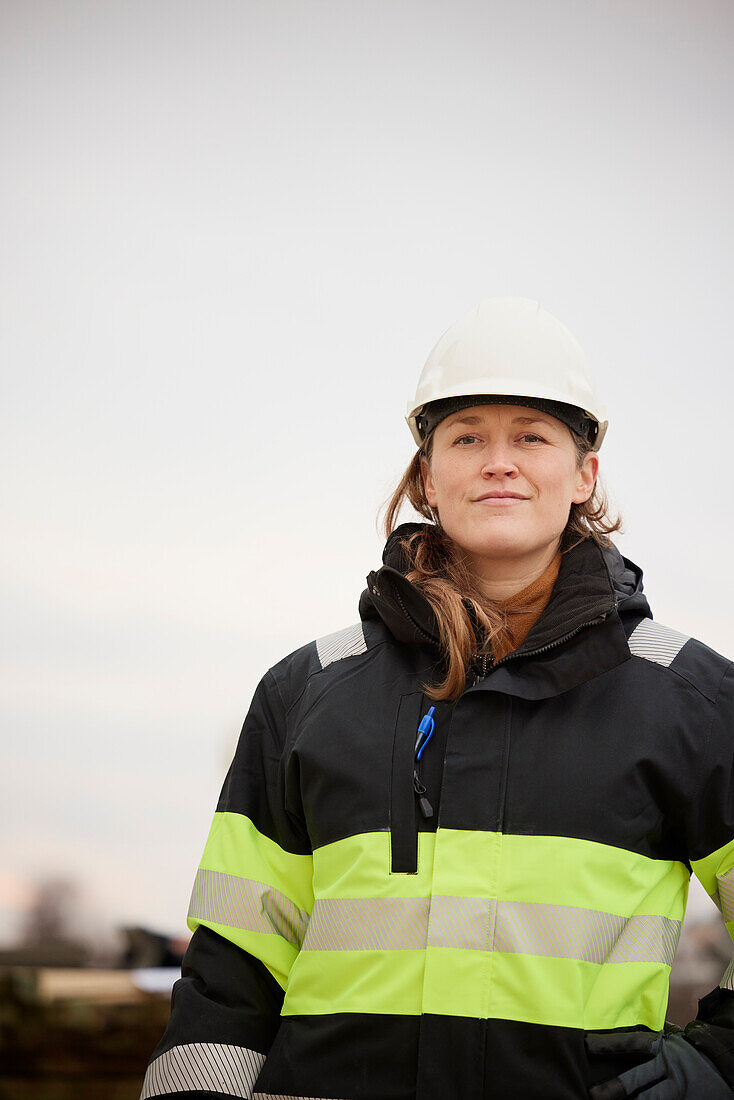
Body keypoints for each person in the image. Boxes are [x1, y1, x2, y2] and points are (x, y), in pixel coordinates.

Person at [140, 297, 734, 1099]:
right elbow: (231, 973)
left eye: (531, 434)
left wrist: (717, 1068)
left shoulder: (688, 699)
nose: (499, 461)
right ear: (427, 474)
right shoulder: (305, 692)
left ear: (584, 472)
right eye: (467, 437)